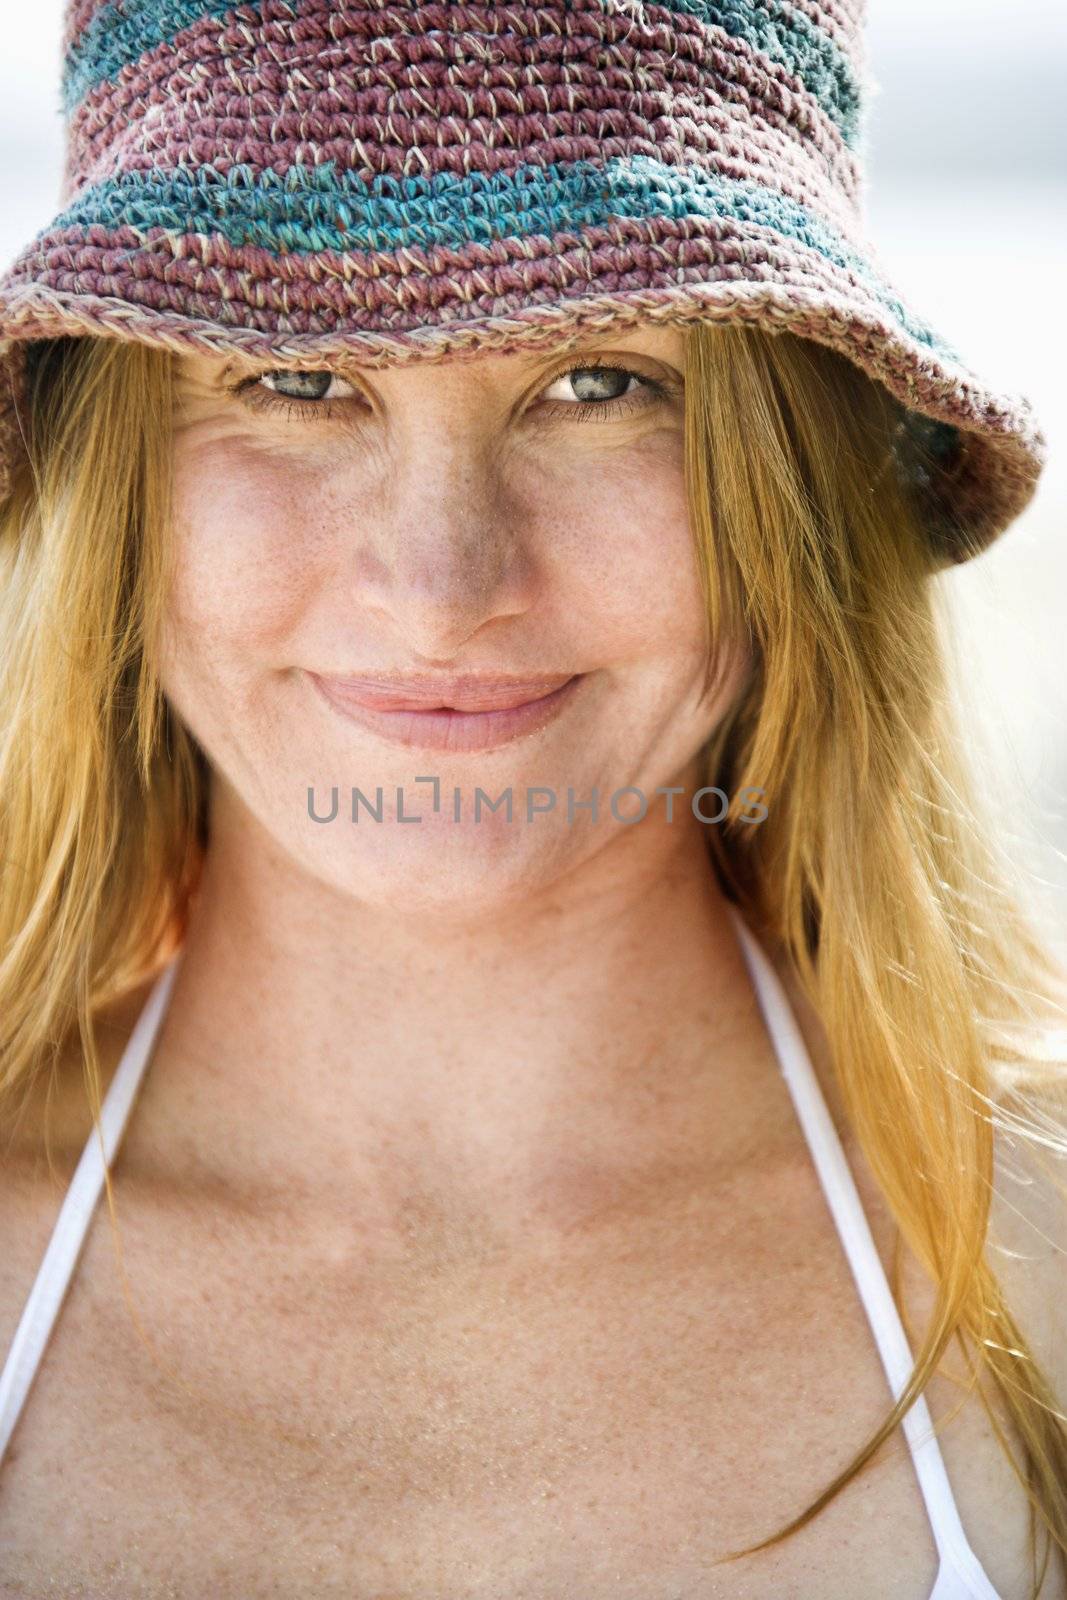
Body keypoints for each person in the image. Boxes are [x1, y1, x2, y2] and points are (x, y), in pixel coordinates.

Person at [0, 3, 1064, 1596]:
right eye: (295, 378)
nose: (441, 590)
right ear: (115, 486)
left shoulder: (1044, 1255)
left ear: (793, 488)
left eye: (598, 383)